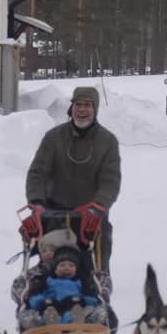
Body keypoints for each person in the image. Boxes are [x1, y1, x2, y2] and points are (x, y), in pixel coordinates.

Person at [22, 85, 121, 276]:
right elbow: (37, 173)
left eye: (87, 105)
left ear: (95, 109)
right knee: (41, 249)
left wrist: (99, 205)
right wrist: (36, 202)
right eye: (78, 104)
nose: (82, 110)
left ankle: (99, 286)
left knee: (101, 247)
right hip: (54, 212)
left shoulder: (108, 141)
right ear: (71, 107)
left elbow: (111, 180)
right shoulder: (53, 138)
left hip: (91, 216)